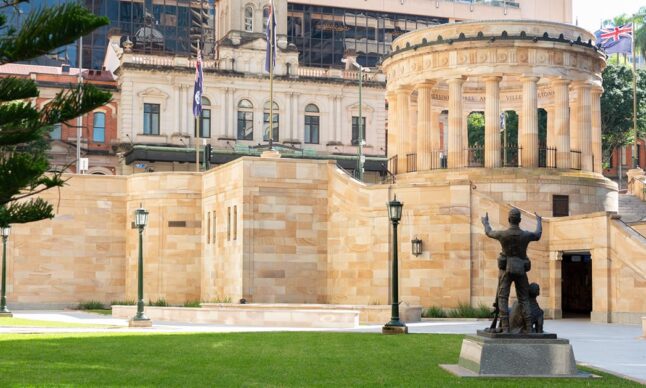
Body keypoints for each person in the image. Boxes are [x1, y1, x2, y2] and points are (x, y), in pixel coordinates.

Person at [481, 208, 542, 333]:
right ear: (520, 220)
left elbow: (488, 232)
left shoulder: (503, 234)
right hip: (521, 270)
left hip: (506, 271)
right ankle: (529, 328)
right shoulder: (525, 235)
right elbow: (537, 234)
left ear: (509, 220)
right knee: (524, 298)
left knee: (502, 297)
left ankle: (505, 328)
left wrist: (485, 222)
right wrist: (539, 221)